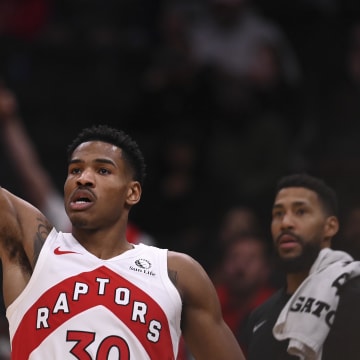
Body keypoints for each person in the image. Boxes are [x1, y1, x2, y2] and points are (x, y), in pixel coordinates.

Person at [0, 124, 245, 359]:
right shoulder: (38, 250)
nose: (83, 178)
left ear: (132, 192)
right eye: (75, 170)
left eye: (103, 170)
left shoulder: (175, 272)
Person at [244, 173, 360, 359]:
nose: (285, 223)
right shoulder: (259, 316)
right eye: (278, 214)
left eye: (300, 212)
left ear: (329, 227)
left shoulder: (353, 294)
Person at [215, 232, 276, 352]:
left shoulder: (276, 308)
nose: (240, 265)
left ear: (265, 270)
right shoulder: (209, 301)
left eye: (250, 259)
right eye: (234, 257)